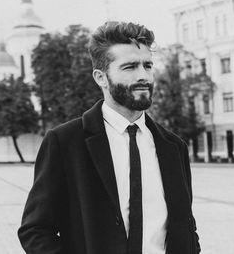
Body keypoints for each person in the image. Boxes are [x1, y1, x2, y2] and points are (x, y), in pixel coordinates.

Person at [18, 21, 200, 254]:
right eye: (130, 67)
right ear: (101, 77)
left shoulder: (174, 147)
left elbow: (186, 227)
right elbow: (35, 230)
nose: (143, 76)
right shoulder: (65, 142)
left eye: (148, 65)